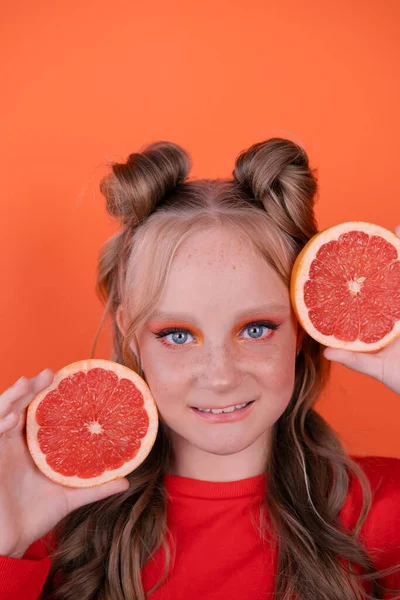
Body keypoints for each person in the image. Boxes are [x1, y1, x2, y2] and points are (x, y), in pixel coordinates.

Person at [0, 138, 399, 600]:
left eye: (256, 328)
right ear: (130, 332)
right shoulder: (46, 529)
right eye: (177, 335)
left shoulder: (383, 510)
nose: (220, 375)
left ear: (301, 327)